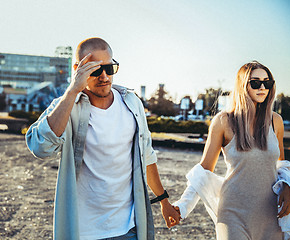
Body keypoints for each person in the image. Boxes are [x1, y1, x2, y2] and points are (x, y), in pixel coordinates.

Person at [26, 37, 180, 240]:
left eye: (109, 68)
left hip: (129, 228)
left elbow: (147, 157)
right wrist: (73, 90)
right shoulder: (67, 106)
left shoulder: (132, 103)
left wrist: (164, 201)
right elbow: (40, 147)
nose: (104, 76)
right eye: (95, 69)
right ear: (77, 69)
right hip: (84, 231)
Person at [173, 61, 290, 240]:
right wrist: (183, 206)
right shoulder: (223, 121)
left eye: (267, 83)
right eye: (255, 82)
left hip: (270, 213)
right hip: (233, 212)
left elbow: (282, 164)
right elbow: (204, 169)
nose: (262, 87)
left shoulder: (275, 121)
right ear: (242, 85)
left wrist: (288, 186)